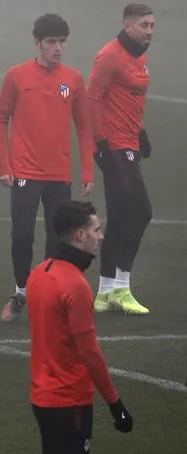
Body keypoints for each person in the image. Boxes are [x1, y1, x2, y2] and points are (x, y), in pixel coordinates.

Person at [27, 200, 133, 454]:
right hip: (67, 399)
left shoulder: (41, 273)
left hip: (44, 392)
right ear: (78, 235)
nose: (100, 235)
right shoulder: (74, 284)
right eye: (96, 229)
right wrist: (115, 402)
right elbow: (90, 353)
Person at [0, 13, 94, 323]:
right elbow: (0, 119)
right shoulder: (16, 76)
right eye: (51, 42)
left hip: (59, 175)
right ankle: (21, 292)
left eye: (62, 42)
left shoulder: (74, 79)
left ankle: (49, 297)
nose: (58, 48)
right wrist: (4, 165)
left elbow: (85, 127)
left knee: (57, 239)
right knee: (22, 236)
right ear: (38, 43)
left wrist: (87, 171)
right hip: (24, 173)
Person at [88, 3, 155, 315]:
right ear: (128, 26)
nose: (150, 32)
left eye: (152, 26)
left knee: (121, 215)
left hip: (130, 143)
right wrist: (100, 144)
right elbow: (91, 100)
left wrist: (140, 131)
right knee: (139, 211)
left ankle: (105, 293)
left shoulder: (139, 56)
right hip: (113, 146)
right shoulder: (109, 56)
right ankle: (121, 288)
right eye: (144, 26)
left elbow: (131, 99)